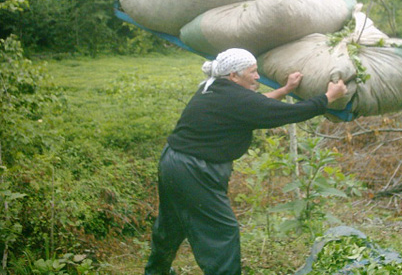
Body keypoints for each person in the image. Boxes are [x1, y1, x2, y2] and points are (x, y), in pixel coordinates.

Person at [144, 48, 348, 275]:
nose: (258, 77)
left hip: (173, 161)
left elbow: (257, 104)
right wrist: (329, 98)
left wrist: (285, 89)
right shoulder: (236, 98)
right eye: (252, 72)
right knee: (222, 232)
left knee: (171, 223)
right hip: (195, 169)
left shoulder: (212, 87)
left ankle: (156, 272)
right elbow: (287, 113)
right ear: (233, 75)